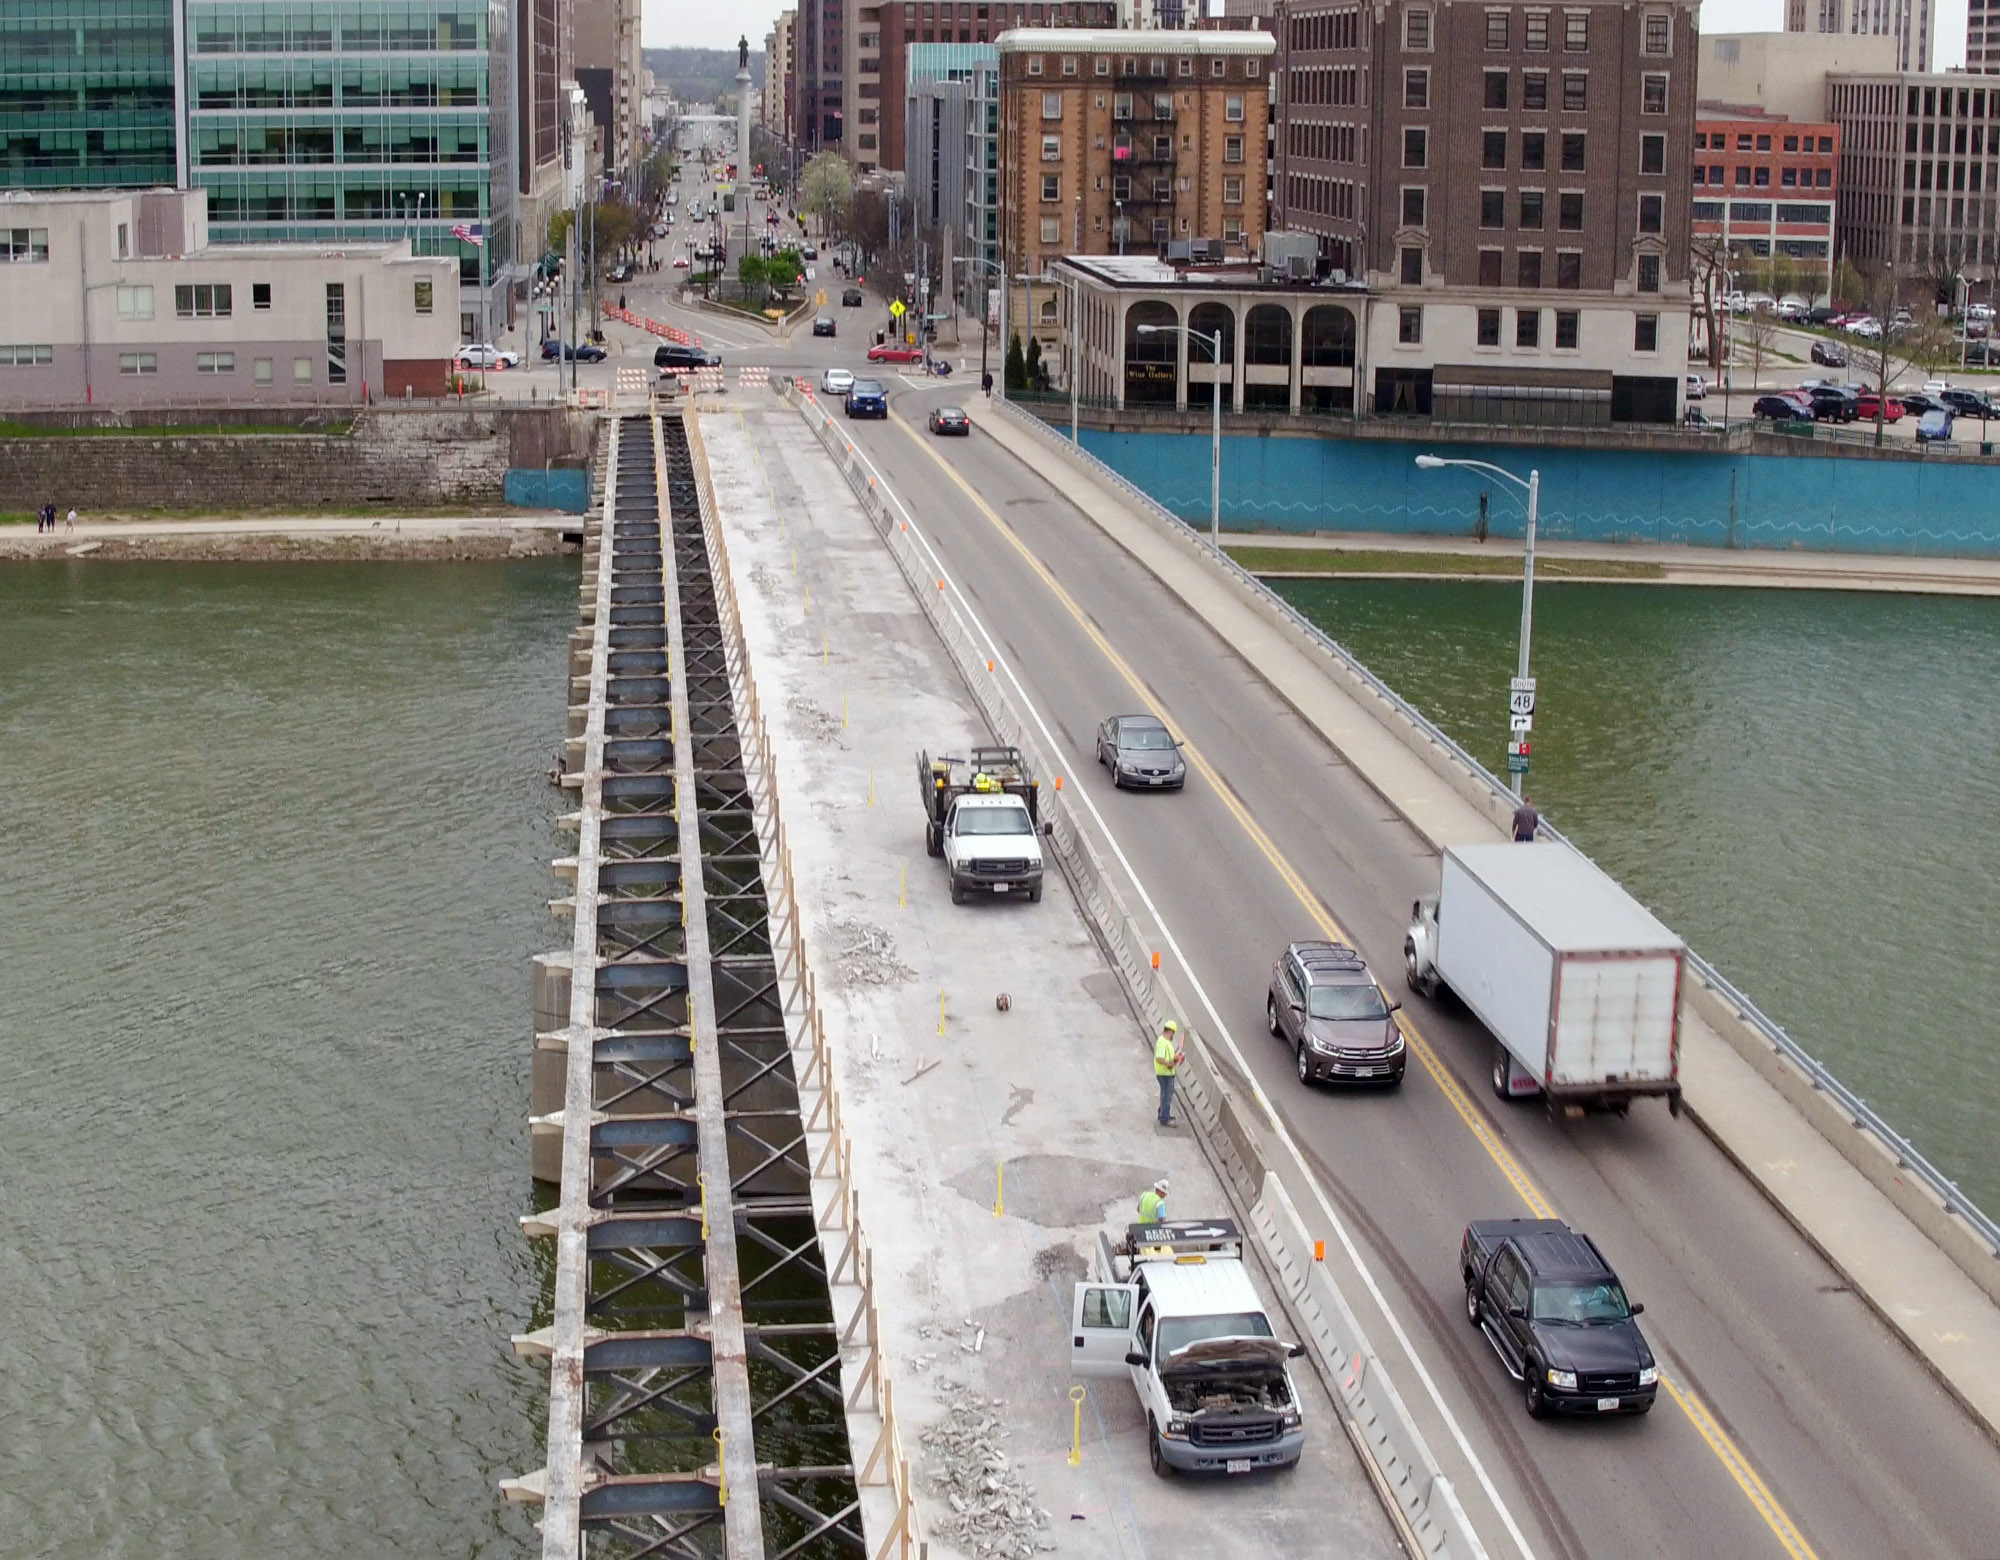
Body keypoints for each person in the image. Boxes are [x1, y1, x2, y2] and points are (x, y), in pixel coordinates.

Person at [1153, 1020, 1184, 1127]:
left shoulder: (1167, 1042)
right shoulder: (1162, 1042)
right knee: (1167, 1095)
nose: (1173, 1036)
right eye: (1173, 1033)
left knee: (1165, 1094)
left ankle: (1163, 1113)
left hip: (1168, 1072)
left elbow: (1169, 1057)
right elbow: (1159, 1058)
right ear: (1170, 1032)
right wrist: (1169, 1064)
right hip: (1164, 1073)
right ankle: (1164, 1118)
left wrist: (1176, 1058)